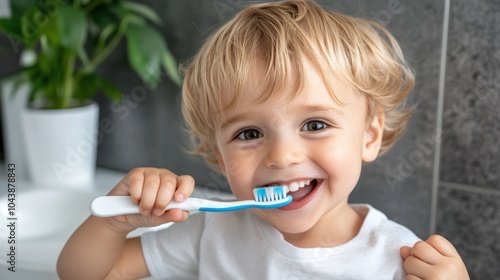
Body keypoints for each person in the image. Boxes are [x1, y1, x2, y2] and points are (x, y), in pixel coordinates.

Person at [57, 0, 469, 279]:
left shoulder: (400, 259)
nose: (283, 156)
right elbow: (89, 273)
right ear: (218, 156)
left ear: (369, 135)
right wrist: (114, 223)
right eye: (249, 133)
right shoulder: (211, 232)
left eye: (315, 124)